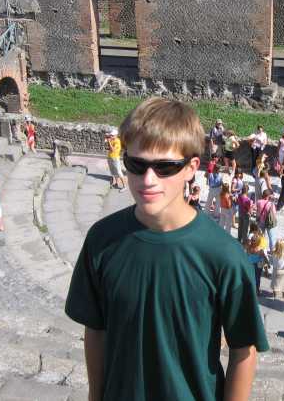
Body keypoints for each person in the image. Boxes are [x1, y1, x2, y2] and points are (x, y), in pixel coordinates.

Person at [65, 98, 268, 401]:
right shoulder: (101, 240)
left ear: (191, 168)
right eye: (137, 164)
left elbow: (243, 351)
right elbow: (95, 330)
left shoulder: (223, 255)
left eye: (165, 167)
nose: (148, 179)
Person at [246, 222, 268, 296]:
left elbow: (246, 255)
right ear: (259, 243)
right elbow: (264, 257)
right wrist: (267, 264)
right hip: (258, 265)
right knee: (258, 278)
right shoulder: (260, 250)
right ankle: (257, 291)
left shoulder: (248, 249)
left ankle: (251, 290)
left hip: (250, 265)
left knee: (251, 277)